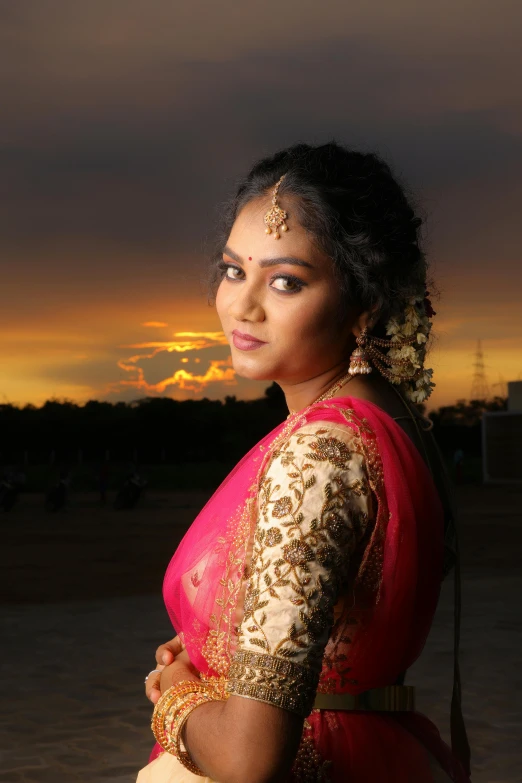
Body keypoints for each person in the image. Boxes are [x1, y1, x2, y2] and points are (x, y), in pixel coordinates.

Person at [138, 143, 471, 783]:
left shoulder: (320, 451)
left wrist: (175, 694)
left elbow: (247, 759)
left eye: (286, 281)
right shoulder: (392, 419)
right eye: (234, 271)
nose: (243, 306)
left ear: (364, 305)